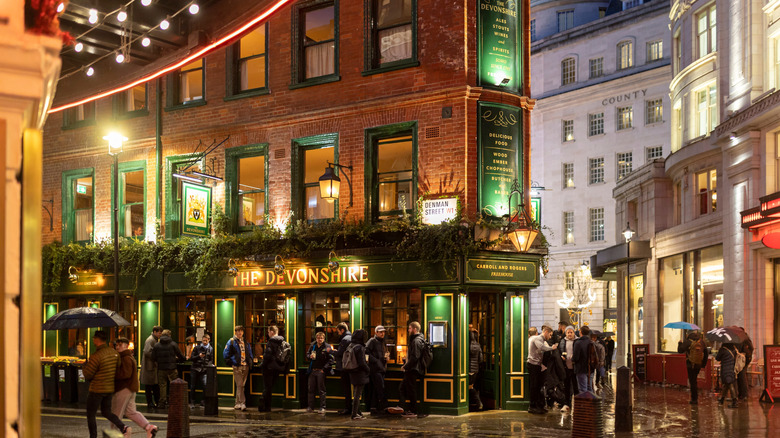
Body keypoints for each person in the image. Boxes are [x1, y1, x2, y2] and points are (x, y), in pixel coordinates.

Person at [82, 330, 131, 438]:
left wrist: (85, 366)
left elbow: (88, 375)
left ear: (97, 339)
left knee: (91, 414)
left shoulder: (96, 356)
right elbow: (117, 367)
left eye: (94, 338)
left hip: (96, 389)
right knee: (106, 412)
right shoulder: (114, 353)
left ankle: (93, 436)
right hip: (109, 389)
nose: (93, 340)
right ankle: (123, 427)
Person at [112, 337, 158, 438]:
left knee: (116, 414)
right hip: (130, 388)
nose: (117, 346)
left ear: (126, 346)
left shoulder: (125, 358)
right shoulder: (128, 357)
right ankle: (149, 427)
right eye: (116, 344)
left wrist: (113, 374)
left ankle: (115, 434)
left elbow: (125, 374)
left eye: (120, 345)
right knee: (131, 412)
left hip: (123, 389)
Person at [527, 326, 558, 414]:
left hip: (537, 365)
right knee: (534, 386)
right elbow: (541, 348)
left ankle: (537, 405)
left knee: (537, 386)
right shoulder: (538, 338)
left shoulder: (541, 340)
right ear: (546, 332)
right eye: (550, 335)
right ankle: (532, 406)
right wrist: (552, 348)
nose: (550, 337)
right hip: (533, 365)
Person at [151, 329, 185, 409]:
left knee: (162, 386)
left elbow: (153, 357)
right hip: (172, 368)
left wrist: (160, 360)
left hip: (161, 368)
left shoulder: (157, 345)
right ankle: (174, 401)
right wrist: (180, 359)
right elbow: (180, 355)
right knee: (174, 385)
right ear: (169, 335)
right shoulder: (173, 344)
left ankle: (162, 403)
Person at [399, 321, 426, 418]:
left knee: (410, 390)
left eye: (409, 328)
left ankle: (412, 410)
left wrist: (405, 366)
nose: (408, 330)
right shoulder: (418, 339)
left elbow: (415, 357)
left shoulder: (416, 341)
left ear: (414, 329)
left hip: (412, 369)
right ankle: (403, 407)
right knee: (404, 388)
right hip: (412, 368)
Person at [223, 325, 253, 411]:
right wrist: (232, 362)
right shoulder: (231, 341)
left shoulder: (245, 342)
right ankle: (243, 403)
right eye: (238, 331)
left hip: (245, 366)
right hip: (237, 366)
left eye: (241, 331)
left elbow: (249, 352)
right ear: (235, 332)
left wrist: (249, 361)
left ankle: (237, 403)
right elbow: (225, 354)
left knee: (241, 385)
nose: (239, 333)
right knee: (240, 385)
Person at [260, 325, 285, 412]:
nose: (268, 334)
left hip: (269, 368)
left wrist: (262, 364)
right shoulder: (282, 341)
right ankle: (267, 406)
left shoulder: (271, 342)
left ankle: (266, 407)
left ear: (272, 332)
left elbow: (268, 355)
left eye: (268, 332)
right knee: (269, 387)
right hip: (277, 367)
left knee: (267, 388)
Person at [306, 331, 332, 414]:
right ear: (316, 338)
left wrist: (324, 369)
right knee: (311, 389)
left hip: (321, 371)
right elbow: (307, 354)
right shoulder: (313, 345)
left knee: (321, 390)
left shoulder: (327, 347)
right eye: (318, 338)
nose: (319, 340)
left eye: (321, 338)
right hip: (313, 370)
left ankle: (322, 407)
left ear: (324, 339)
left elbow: (331, 359)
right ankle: (310, 407)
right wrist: (309, 356)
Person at [347, 329, 371, 420]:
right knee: (358, 394)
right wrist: (368, 369)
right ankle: (354, 414)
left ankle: (358, 412)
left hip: (352, 371)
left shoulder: (351, 345)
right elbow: (362, 362)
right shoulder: (360, 347)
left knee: (355, 393)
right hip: (360, 372)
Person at [677, 331, 707, 404]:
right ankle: (695, 397)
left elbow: (680, 351)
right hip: (698, 364)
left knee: (692, 381)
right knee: (695, 380)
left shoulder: (687, 341)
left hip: (690, 364)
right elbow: (706, 352)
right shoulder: (701, 341)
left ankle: (694, 399)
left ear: (688, 334)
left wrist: (679, 343)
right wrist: (703, 364)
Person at [365, 325, 389, 414]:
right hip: (375, 369)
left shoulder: (383, 342)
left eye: (383, 332)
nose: (383, 333)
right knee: (380, 388)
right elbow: (366, 352)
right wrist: (376, 361)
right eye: (380, 332)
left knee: (376, 388)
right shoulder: (372, 341)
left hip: (382, 368)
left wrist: (385, 358)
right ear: (376, 333)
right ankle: (383, 407)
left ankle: (374, 407)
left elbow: (384, 353)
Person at [333, 322, 353, 415]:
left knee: (346, 388)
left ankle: (348, 408)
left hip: (344, 367)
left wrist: (332, 351)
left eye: (338, 332)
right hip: (351, 366)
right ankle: (350, 407)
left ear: (342, 330)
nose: (338, 334)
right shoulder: (351, 337)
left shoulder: (345, 339)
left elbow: (340, 353)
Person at [189, 333, 214, 407]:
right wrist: (198, 356)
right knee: (192, 386)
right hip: (195, 368)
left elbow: (211, 359)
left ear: (209, 340)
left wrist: (208, 366)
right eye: (203, 341)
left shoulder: (210, 349)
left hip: (204, 369)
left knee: (205, 385)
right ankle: (192, 402)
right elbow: (192, 358)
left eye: (206, 341)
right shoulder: (197, 348)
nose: (204, 342)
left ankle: (203, 401)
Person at [140, 326, 162, 408]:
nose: (160, 335)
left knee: (153, 386)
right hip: (149, 367)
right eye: (159, 333)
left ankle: (154, 402)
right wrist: (156, 356)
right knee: (149, 386)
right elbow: (147, 351)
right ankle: (150, 403)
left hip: (151, 366)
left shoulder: (153, 339)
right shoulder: (151, 340)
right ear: (155, 332)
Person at [716, 343, 739, 408]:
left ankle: (734, 401)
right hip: (732, 368)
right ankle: (722, 399)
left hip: (726, 368)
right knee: (727, 384)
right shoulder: (734, 349)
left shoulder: (723, 349)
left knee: (729, 383)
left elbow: (717, 358)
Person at [561, 326, 578, 412]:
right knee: (566, 386)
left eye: (571, 332)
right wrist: (562, 357)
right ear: (566, 333)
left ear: (574, 333)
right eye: (568, 332)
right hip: (566, 367)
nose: (570, 334)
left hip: (575, 368)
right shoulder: (563, 341)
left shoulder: (577, 341)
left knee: (576, 387)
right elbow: (560, 350)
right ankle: (567, 404)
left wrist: (574, 357)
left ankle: (577, 404)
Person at [572, 325, 593, 393]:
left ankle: (585, 403)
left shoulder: (578, 343)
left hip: (581, 368)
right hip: (590, 368)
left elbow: (576, 357)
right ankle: (591, 402)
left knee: (583, 389)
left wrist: (572, 359)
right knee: (589, 388)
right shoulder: (591, 342)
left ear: (580, 332)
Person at [468, 329, 484, 411]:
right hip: (475, 369)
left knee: (469, 387)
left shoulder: (467, 345)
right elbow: (481, 359)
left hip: (468, 368)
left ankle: (479, 403)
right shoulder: (478, 345)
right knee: (470, 386)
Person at [737, 329, 754, 400]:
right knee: (740, 376)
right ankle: (741, 394)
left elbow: (751, 348)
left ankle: (744, 394)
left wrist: (746, 355)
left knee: (742, 376)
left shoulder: (744, 338)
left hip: (743, 359)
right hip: (743, 359)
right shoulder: (744, 338)